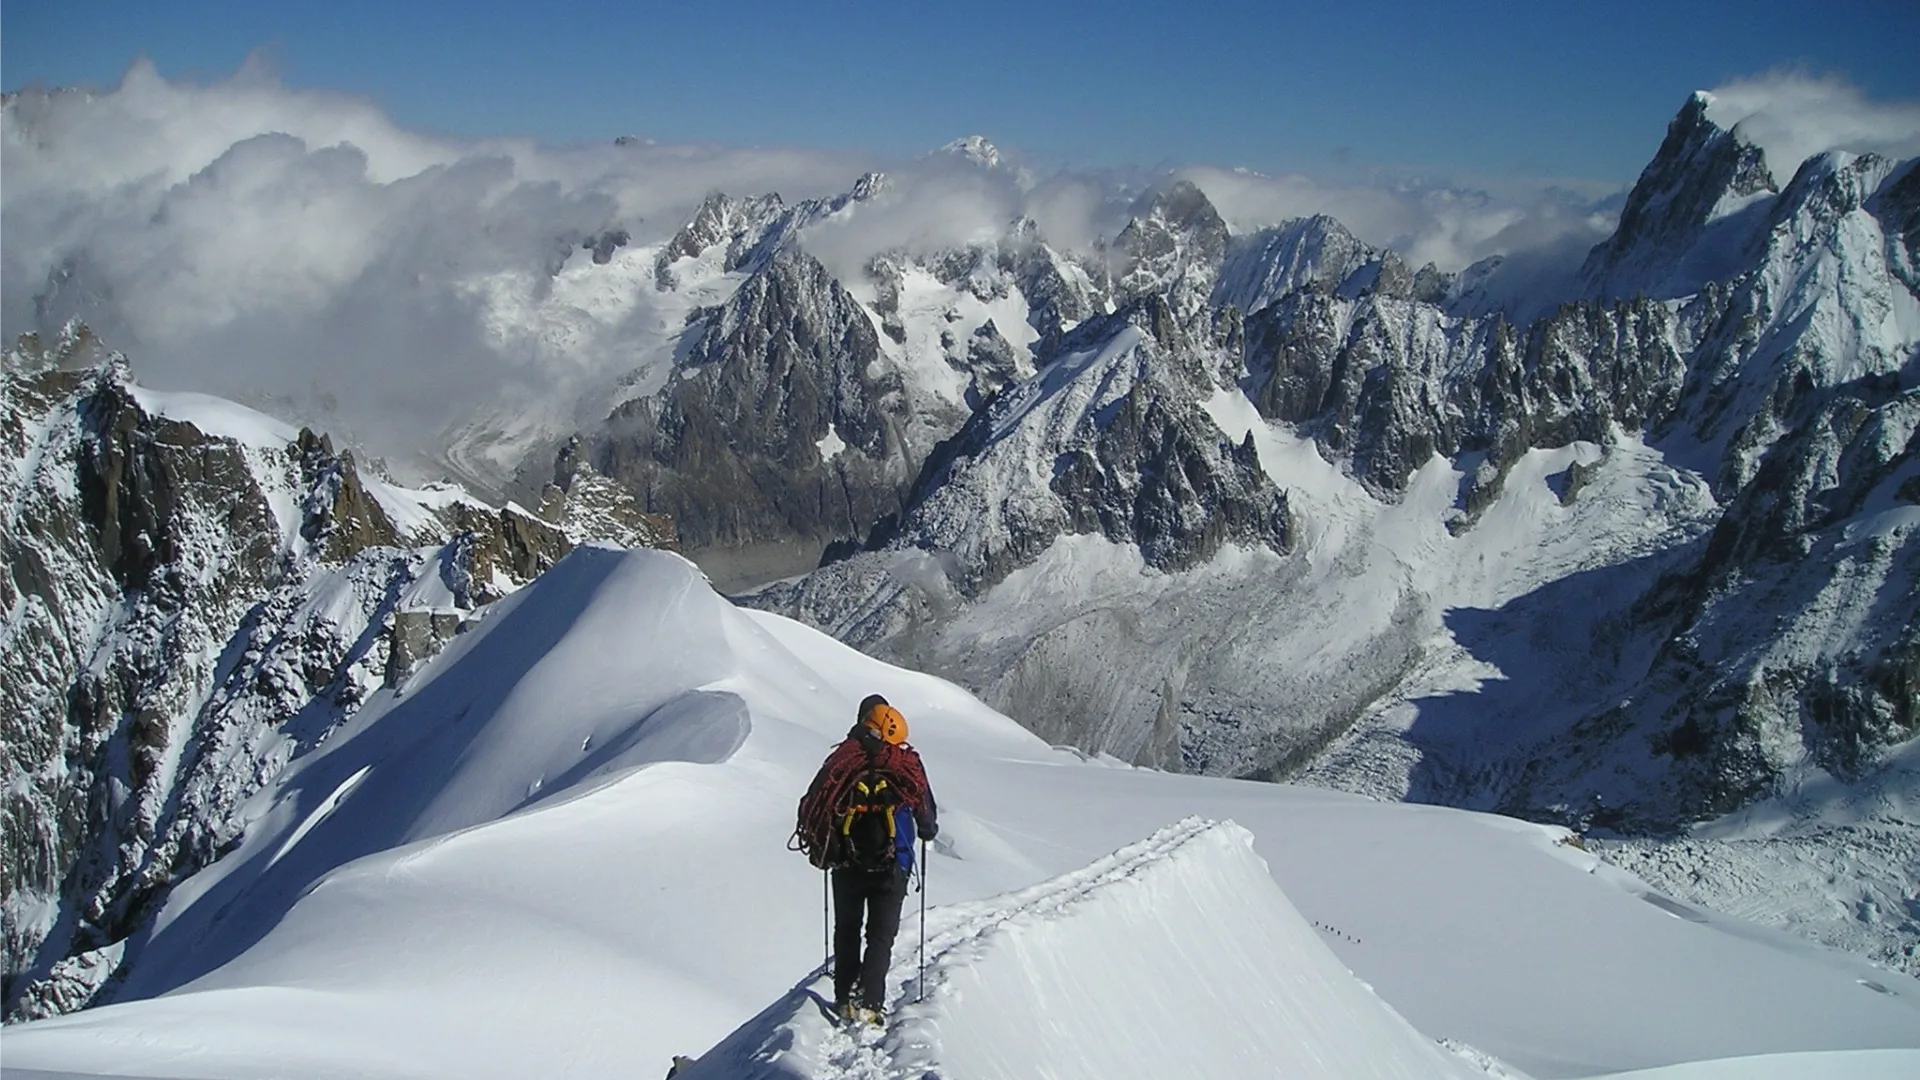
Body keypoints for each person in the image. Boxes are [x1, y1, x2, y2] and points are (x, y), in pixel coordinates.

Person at [796, 694, 938, 1024]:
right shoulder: (905, 764)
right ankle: (870, 1002)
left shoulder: (843, 762)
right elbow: (926, 814)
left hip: (846, 862)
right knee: (880, 937)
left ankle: (844, 996)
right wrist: (927, 831)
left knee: (847, 929)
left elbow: (815, 804)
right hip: (894, 861)